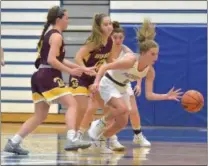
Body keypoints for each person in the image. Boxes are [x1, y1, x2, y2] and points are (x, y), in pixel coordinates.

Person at [3, 6, 93, 155]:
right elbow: (52, 60)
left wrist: (83, 69)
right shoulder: (56, 36)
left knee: (40, 115)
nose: (68, 21)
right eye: (67, 18)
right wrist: (71, 71)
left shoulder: (50, 34)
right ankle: (71, 138)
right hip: (48, 75)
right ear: (59, 20)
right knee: (72, 103)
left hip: (39, 75)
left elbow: (60, 59)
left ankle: (14, 142)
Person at [87, 18, 183, 153]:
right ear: (143, 53)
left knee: (122, 122)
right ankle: (99, 123)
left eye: (157, 54)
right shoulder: (130, 60)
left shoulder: (150, 71)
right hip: (108, 82)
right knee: (122, 108)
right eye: (153, 54)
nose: (156, 57)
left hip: (123, 86)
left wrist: (166, 96)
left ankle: (100, 141)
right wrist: (96, 82)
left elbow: (149, 95)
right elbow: (104, 67)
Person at [73, 21, 151, 152]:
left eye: (120, 37)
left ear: (124, 38)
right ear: (110, 37)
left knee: (128, 111)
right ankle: (78, 136)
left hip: (122, 82)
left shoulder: (127, 51)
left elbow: (139, 68)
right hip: (104, 79)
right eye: (115, 37)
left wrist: (138, 83)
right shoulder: (105, 47)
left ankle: (127, 137)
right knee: (94, 108)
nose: (118, 40)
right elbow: (104, 65)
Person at [66, 13, 114, 149]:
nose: (109, 27)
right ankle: (74, 137)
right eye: (106, 24)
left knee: (108, 109)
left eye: (110, 23)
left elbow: (109, 61)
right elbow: (78, 57)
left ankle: (104, 137)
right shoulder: (94, 42)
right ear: (99, 27)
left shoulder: (109, 42)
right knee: (82, 107)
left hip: (94, 78)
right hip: (80, 77)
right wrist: (85, 69)